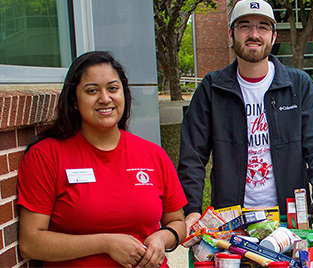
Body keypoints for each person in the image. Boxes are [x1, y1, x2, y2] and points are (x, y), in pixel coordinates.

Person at [177, 0, 313, 233]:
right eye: (245, 26)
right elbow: (192, 156)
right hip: (231, 220)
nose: (254, 34)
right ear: (231, 35)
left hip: (289, 218)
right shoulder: (212, 88)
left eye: (263, 26)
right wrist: (192, 210)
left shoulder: (298, 85)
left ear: (273, 36)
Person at [17, 51, 187, 268]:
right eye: (92, 91)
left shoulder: (153, 155)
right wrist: (105, 243)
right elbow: (31, 243)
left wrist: (162, 238)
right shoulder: (46, 156)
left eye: (113, 89)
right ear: (74, 101)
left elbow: (177, 222)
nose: (105, 98)